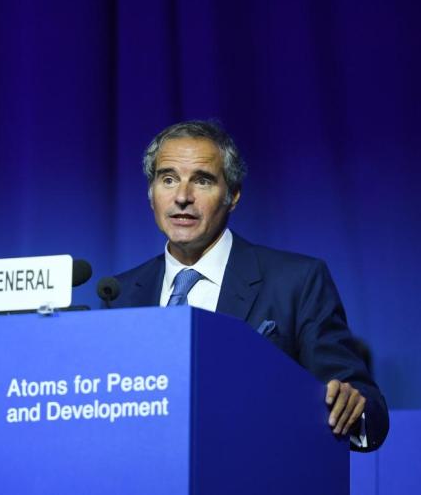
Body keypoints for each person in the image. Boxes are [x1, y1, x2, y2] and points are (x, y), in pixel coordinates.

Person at [109, 120, 388, 451]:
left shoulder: (296, 281)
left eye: (202, 180)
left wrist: (353, 407)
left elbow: (365, 405)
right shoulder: (120, 295)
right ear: (151, 194)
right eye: (168, 179)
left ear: (233, 196)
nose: (182, 197)